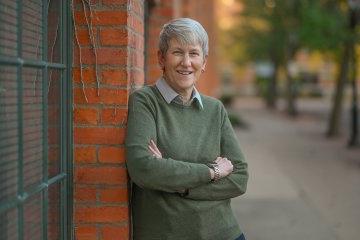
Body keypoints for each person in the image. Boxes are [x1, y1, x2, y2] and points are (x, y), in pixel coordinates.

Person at [125, 18, 248, 240]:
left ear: (204, 61)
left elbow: (239, 178)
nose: (186, 62)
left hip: (223, 233)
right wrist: (212, 172)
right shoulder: (145, 101)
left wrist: (179, 185)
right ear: (161, 58)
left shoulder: (215, 109)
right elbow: (143, 168)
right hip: (167, 233)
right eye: (177, 52)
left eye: (194, 53)